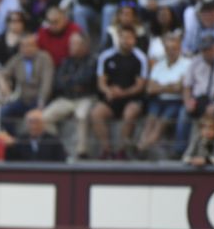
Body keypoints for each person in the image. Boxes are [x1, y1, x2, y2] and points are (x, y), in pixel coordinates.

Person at [91, 25, 148, 158]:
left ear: (134, 40)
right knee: (96, 113)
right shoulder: (106, 56)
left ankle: (122, 150)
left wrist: (123, 93)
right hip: (111, 97)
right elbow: (101, 82)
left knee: (130, 113)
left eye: (129, 38)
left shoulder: (140, 58)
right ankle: (106, 149)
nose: (126, 41)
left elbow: (140, 86)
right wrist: (108, 91)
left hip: (132, 98)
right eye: (122, 37)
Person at [42, 32, 98, 158]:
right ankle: (59, 149)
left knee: (82, 116)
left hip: (86, 98)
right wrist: (73, 82)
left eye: (76, 43)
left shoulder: (93, 60)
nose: (72, 46)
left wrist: (69, 80)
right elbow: (58, 83)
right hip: (66, 98)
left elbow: (87, 80)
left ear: (85, 45)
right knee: (44, 117)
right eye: (71, 44)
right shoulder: (66, 61)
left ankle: (81, 151)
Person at [178, 34, 214, 151]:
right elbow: (187, 86)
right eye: (204, 50)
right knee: (183, 113)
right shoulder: (196, 61)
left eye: (209, 49)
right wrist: (188, 102)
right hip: (199, 100)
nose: (207, 53)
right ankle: (181, 150)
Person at [136, 33, 190, 157]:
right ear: (164, 50)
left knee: (161, 123)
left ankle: (142, 147)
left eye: (174, 48)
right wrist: (170, 87)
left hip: (176, 101)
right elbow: (150, 89)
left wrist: (160, 87)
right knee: (150, 120)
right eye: (168, 49)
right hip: (158, 100)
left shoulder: (187, 64)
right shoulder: (159, 65)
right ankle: (142, 144)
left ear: (180, 48)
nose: (171, 52)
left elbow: (179, 88)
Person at [0, 33, 55, 132]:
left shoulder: (44, 58)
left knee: (33, 119)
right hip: (23, 100)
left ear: (36, 46)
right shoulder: (17, 59)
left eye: (30, 45)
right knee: (4, 112)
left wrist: (41, 102)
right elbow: (3, 73)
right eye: (23, 46)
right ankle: (14, 140)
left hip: (39, 99)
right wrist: (3, 84)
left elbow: (47, 83)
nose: (27, 48)